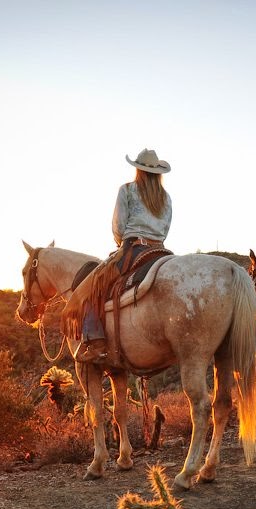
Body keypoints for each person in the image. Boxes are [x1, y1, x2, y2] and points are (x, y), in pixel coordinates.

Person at [64, 148, 173, 363]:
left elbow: (118, 226)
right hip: (161, 251)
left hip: (134, 249)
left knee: (91, 287)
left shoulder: (128, 190)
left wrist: (121, 244)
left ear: (138, 170)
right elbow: (166, 227)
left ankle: (95, 343)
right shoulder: (165, 197)